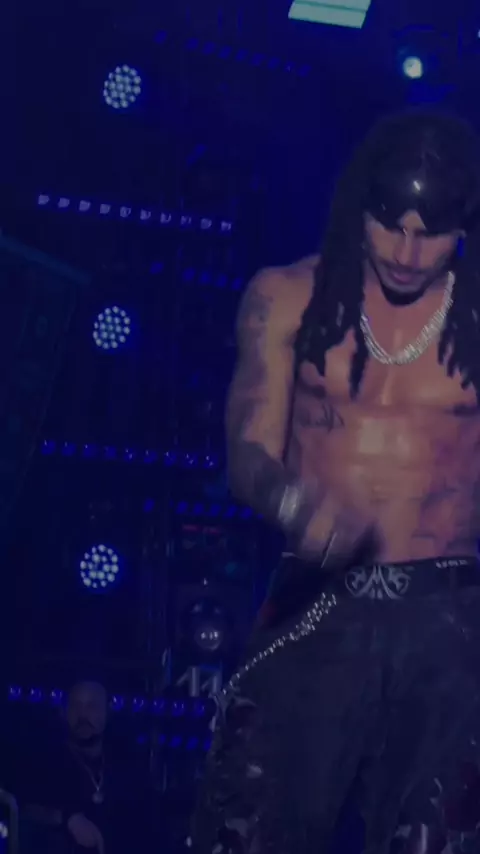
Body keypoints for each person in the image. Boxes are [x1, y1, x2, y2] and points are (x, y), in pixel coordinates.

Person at [191, 110, 480, 854]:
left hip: (449, 615)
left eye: (431, 234)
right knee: (247, 825)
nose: (407, 254)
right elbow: (247, 451)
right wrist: (295, 501)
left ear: (463, 230)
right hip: (317, 597)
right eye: (391, 227)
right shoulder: (287, 296)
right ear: (359, 208)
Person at [20, 679, 152, 853]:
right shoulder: (44, 762)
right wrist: (67, 819)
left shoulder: (128, 767)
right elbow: (23, 809)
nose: (83, 715)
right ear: (63, 712)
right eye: (76, 705)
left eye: (92, 706)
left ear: (107, 713)